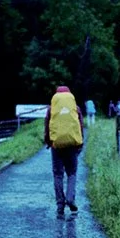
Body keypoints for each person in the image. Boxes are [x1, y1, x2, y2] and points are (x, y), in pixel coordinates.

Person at [44, 85, 84, 216]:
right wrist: (80, 143)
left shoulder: (52, 109)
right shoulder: (75, 109)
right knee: (72, 173)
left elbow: (47, 125)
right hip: (72, 146)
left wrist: (49, 142)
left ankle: (60, 205)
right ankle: (70, 199)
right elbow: (80, 127)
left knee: (58, 174)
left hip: (57, 146)